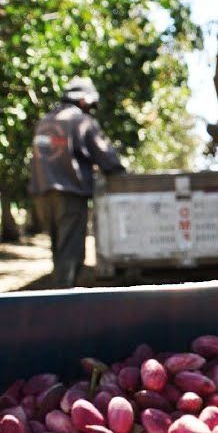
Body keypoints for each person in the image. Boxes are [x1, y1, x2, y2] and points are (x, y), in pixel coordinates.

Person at [28, 77, 125, 288]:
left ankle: (59, 294)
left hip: (42, 195)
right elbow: (108, 159)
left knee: (58, 251)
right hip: (69, 196)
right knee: (70, 255)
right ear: (83, 100)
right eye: (90, 105)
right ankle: (65, 303)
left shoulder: (45, 121)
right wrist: (120, 174)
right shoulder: (81, 121)